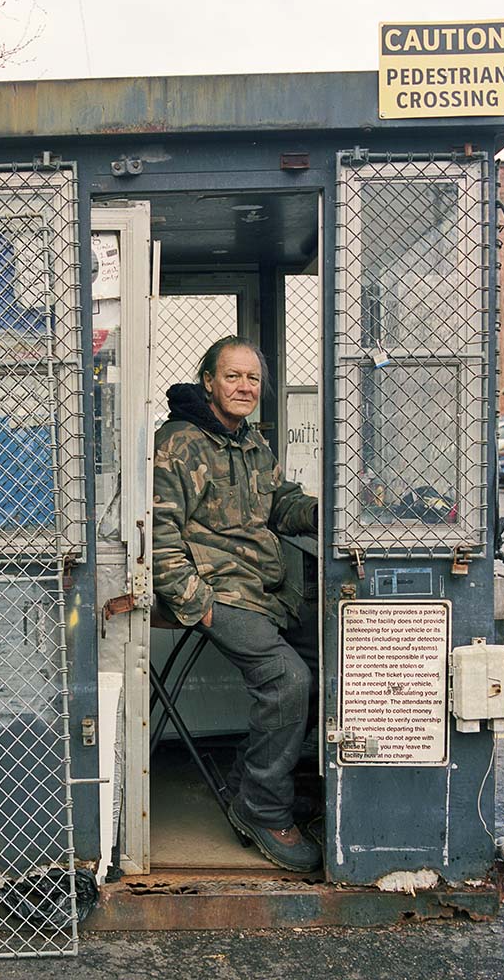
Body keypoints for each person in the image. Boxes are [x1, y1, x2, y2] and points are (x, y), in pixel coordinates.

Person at [152, 335, 321, 872]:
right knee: (287, 681)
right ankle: (264, 809)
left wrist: (327, 512)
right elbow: (157, 533)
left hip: (262, 591)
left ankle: (253, 778)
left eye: (253, 377)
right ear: (209, 381)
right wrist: (195, 602)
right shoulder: (178, 442)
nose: (245, 386)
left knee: (332, 663)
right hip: (217, 592)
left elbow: (279, 505)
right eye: (233, 376)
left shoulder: (252, 443)